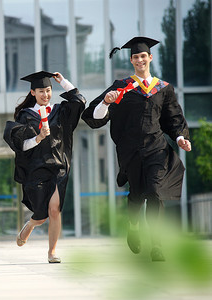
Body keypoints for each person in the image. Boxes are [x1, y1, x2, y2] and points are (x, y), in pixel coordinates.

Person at [81, 37, 191, 261]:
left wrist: (180, 138)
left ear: (150, 58)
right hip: (131, 150)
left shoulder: (163, 89)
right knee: (137, 195)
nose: (140, 60)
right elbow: (93, 116)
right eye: (136, 57)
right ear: (131, 60)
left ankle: (157, 244)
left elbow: (173, 118)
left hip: (157, 148)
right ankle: (133, 225)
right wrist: (106, 103)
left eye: (144, 56)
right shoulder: (122, 88)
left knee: (155, 193)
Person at [3, 71, 86, 263]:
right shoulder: (26, 116)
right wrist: (38, 137)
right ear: (33, 92)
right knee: (41, 215)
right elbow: (21, 146)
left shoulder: (59, 111)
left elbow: (79, 102)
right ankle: (31, 225)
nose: (45, 95)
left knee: (55, 209)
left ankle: (52, 252)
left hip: (59, 167)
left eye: (48, 90)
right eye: (41, 91)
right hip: (36, 169)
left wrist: (63, 82)